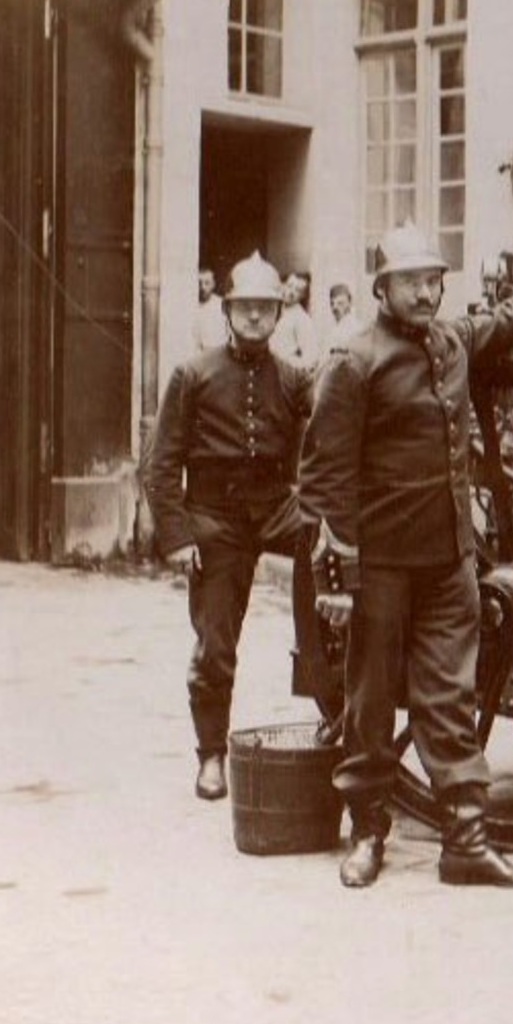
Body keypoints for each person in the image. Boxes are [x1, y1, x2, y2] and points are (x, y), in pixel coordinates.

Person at [299, 223, 513, 889]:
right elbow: (323, 477)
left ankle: (465, 843)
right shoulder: (354, 359)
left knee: (450, 698)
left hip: (451, 559)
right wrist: (336, 579)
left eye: (434, 281)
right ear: (382, 287)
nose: (427, 293)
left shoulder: (451, 343)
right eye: (412, 282)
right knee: (370, 702)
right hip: (380, 564)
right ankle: (368, 835)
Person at [142, 251, 335, 800]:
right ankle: (211, 757)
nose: (255, 319)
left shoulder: (293, 376)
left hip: (275, 507)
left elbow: (326, 409)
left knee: (327, 535)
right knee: (216, 643)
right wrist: (178, 537)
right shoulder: (193, 374)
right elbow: (159, 464)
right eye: (245, 309)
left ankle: (323, 663)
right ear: (227, 311)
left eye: (265, 310)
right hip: (214, 520)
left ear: (280, 315)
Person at [270, 269, 321, 368]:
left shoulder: (302, 319)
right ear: (283, 285)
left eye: (297, 290)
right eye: (289, 286)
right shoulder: (273, 311)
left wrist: (288, 363)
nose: (291, 292)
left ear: (303, 295)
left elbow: (311, 359)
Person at [189, 267, 226, 353]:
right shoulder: (190, 305)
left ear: (213, 284)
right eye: (199, 283)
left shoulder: (221, 305)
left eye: (207, 283)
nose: (202, 287)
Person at [325, 282, 361, 350]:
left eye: (340, 303)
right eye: (332, 304)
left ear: (350, 303)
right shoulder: (335, 329)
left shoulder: (356, 328)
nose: (335, 308)